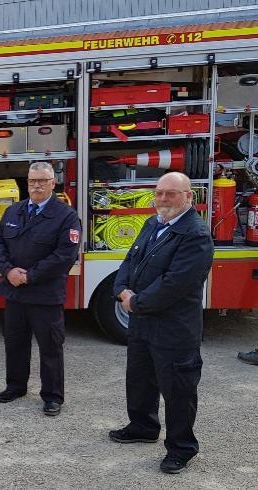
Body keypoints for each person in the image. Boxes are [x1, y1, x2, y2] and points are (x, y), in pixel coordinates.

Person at [108, 171, 214, 474]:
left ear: (188, 197)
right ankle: (143, 426)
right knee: (140, 378)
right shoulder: (153, 223)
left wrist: (134, 302)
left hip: (174, 328)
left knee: (178, 389)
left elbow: (175, 283)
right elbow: (130, 260)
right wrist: (120, 289)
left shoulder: (195, 235)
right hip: (143, 323)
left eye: (171, 193)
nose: (163, 199)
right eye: (159, 192)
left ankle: (181, 448)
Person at [0, 162, 80, 417]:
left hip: (45, 295)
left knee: (50, 347)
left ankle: (52, 396)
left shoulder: (66, 216)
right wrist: (8, 271)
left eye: (42, 180)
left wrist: (29, 276)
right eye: (32, 181)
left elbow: (65, 255)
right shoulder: (14, 211)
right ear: (27, 183)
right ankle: (15, 386)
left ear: (53, 183)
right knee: (15, 343)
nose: (37, 185)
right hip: (14, 292)